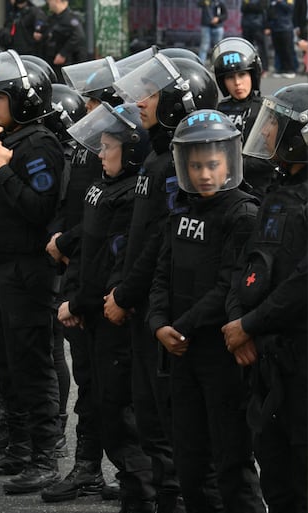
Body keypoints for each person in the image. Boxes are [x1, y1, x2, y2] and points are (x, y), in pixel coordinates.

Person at [110, 52, 220, 512]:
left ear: (177, 100)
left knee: (172, 429)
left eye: (151, 94)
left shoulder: (173, 166)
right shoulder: (158, 157)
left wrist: (125, 294)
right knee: (152, 419)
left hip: (162, 313)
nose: (140, 102)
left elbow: (160, 246)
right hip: (146, 309)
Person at [148, 109, 265, 513]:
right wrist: (157, 323)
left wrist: (177, 328)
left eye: (212, 164)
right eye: (195, 165)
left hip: (219, 356)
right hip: (182, 354)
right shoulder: (183, 209)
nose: (203, 174)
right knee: (190, 462)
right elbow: (162, 272)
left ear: (229, 162)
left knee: (231, 463)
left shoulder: (243, 213)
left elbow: (227, 287)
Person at [0, 50, 64, 495]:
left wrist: (3, 170)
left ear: (23, 100)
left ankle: (44, 454)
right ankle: (19, 443)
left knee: (32, 363)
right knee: (5, 360)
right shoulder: (3, 136)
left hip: (27, 271)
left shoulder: (38, 144)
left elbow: (40, 208)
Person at [58, 101, 157, 513]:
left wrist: (81, 300)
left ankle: (143, 494)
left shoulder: (131, 196)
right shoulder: (102, 186)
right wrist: (73, 297)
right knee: (101, 403)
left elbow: (111, 263)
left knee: (120, 413)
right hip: (89, 310)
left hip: (111, 317)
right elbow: (87, 251)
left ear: (131, 151)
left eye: (109, 146)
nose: (101, 153)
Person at [222, 83, 308, 513]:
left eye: (277, 123)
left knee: (306, 476)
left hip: (306, 367)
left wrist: (248, 326)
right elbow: (250, 262)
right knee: (274, 476)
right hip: (267, 363)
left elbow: (307, 281)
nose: (268, 129)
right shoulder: (276, 190)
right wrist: (239, 315)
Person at [210, 37, 276, 199]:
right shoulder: (217, 110)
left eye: (242, 74)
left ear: (253, 76)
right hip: (222, 188)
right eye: (230, 77)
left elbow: (273, 156)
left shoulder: (268, 109)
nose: (237, 83)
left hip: (259, 188)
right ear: (222, 81)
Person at [42, 0, 87, 83]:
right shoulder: (52, 18)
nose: (48, 2)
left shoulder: (70, 18)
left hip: (67, 64)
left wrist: (63, 54)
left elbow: (78, 36)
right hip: (52, 61)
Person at [265, 0, 296, 78]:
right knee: (278, 50)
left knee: (287, 50)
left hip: (286, 28)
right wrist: (268, 26)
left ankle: (290, 69)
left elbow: (290, 9)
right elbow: (268, 12)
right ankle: (281, 69)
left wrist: (280, 2)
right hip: (275, 28)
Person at [240, 0, 268, 75]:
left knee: (262, 48)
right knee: (247, 48)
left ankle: (264, 68)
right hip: (246, 25)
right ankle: (248, 67)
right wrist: (252, 6)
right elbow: (243, 8)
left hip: (258, 25)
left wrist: (249, 5)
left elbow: (261, 7)